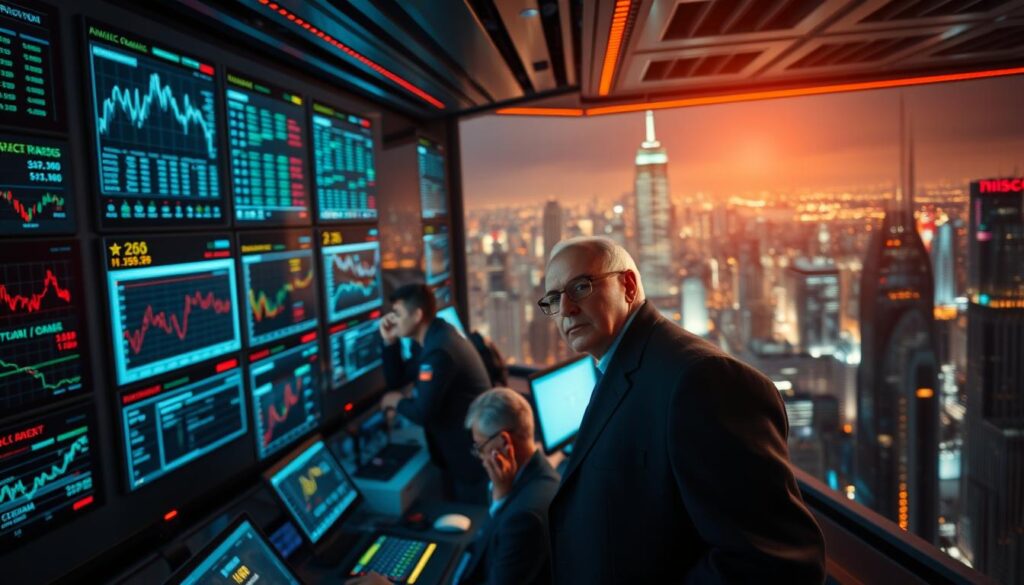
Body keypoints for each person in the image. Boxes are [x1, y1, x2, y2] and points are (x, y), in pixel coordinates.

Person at [540, 236, 826, 584]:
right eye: (554, 299)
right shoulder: (621, 365)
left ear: (628, 286)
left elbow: (771, 560)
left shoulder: (704, 380)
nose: (566, 308)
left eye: (581, 287)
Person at [379, 284, 489, 504]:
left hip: (470, 460)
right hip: (457, 451)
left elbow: (423, 413)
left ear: (417, 315)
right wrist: (389, 342)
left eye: (398, 314)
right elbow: (397, 379)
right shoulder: (435, 336)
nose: (393, 321)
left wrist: (395, 401)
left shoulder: (439, 351)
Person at [457, 387, 559, 585]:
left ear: (504, 442)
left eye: (480, 447)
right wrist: (502, 495)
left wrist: (501, 501)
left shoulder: (523, 518)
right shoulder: (545, 476)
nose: (480, 457)